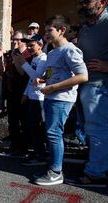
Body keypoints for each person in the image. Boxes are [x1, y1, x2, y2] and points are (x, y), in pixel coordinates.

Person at [33, 15, 88, 186]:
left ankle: (56, 172)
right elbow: (52, 72)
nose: (46, 34)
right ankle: (53, 167)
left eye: (50, 30)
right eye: (46, 30)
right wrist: (43, 79)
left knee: (54, 133)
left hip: (61, 98)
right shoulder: (52, 50)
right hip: (51, 95)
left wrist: (53, 87)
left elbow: (83, 76)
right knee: (51, 133)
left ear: (62, 30)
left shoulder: (70, 50)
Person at [72, 0, 108, 186]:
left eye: (87, 1)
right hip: (85, 83)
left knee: (97, 129)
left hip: (100, 86)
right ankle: (98, 164)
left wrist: (106, 66)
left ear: (102, 2)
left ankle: (96, 173)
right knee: (89, 129)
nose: (82, 4)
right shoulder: (86, 24)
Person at [12, 34, 47, 166]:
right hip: (32, 97)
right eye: (28, 46)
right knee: (31, 127)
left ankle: (40, 155)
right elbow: (30, 80)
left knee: (37, 127)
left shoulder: (43, 59)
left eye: (32, 45)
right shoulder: (34, 59)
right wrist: (25, 93)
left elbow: (37, 78)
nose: (30, 48)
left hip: (40, 98)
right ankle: (37, 152)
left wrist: (23, 63)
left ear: (40, 45)